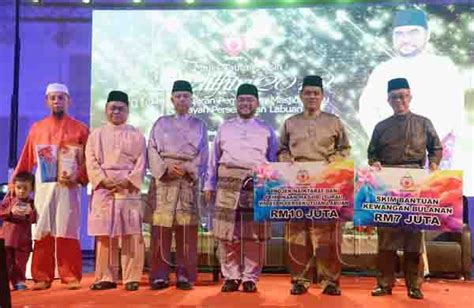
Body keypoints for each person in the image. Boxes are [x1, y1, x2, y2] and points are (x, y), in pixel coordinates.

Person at [358, 8, 463, 169]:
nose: (405, 39)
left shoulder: (443, 67)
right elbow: (367, 111)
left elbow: (449, 113)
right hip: (390, 155)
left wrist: (416, 145)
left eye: (413, 32)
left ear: (427, 35)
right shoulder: (382, 70)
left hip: (431, 157)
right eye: (399, 34)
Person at [368, 77, 442, 300]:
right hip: (389, 184)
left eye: (403, 96)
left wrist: (435, 164)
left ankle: (414, 285)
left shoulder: (423, 122)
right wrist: (375, 163)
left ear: (410, 97)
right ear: (388, 100)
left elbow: (436, 148)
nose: (399, 100)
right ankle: (385, 283)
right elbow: (372, 153)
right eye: (394, 97)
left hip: (415, 182)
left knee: (413, 239)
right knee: (387, 239)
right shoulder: (381, 127)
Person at [278, 75, 351, 296]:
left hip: (326, 183)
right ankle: (300, 279)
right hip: (297, 184)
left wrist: (334, 160)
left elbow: (345, 149)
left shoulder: (334, 121)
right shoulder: (290, 122)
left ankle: (330, 281)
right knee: (297, 234)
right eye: (307, 93)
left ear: (322, 96)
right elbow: (281, 149)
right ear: (301, 96)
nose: (311, 96)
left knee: (328, 234)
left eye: (316, 93)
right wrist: (285, 159)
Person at [12, 83, 89, 290]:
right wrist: (16, 183)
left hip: (69, 187)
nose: (57, 101)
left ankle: (70, 275)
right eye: (53, 97)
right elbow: (27, 158)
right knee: (43, 229)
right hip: (44, 186)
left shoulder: (80, 129)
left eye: (61, 97)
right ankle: (41, 276)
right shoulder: (37, 128)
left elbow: (88, 161)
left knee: (68, 229)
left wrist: (79, 176)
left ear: (68, 101)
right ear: (47, 101)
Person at [204, 83, 278, 293]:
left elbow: (273, 160)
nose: (245, 103)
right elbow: (213, 159)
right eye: (242, 100)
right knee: (227, 233)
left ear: (257, 103)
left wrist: (271, 187)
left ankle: (250, 278)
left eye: (250, 100)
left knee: (254, 234)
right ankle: (231, 276)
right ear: (236, 102)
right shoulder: (224, 127)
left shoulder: (266, 130)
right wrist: (209, 184)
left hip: (256, 183)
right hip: (227, 182)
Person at [147, 80, 208, 290]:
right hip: (164, 180)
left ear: (191, 100)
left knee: (186, 231)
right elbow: (152, 149)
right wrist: (165, 168)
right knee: (160, 230)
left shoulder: (199, 124)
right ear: (172, 99)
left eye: (186, 96)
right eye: (178, 96)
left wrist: (189, 168)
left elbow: (203, 154)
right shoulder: (160, 123)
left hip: (186, 182)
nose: (182, 99)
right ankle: (159, 274)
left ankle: (185, 274)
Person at [86, 91, 146, 291]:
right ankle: (105, 276)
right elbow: (91, 161)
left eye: (121, 108)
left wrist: (127, 181)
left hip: (128, 188)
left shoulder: (136, 134)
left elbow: (141, 162)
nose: (116, 112)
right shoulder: (96, 135)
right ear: (106, 109)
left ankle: (131, 277)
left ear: (128, 110)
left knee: (131, 234)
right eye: (113, 108)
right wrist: (103, 180)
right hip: (104, 188)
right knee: (105, 235)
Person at [0, 172, 37, 291]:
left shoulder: (31, 203)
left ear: (31, 188)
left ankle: (19, 281)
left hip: (23, 240)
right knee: (6, 262)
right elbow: (1, 212)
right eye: (18, 188)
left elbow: (35, 218)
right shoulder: (9, 200)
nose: (21, 191)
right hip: (7, 238)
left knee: (20, 263)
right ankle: (5, 283)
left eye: (25, 188)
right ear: (14, 187)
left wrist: (29, 214)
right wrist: (10, 212)